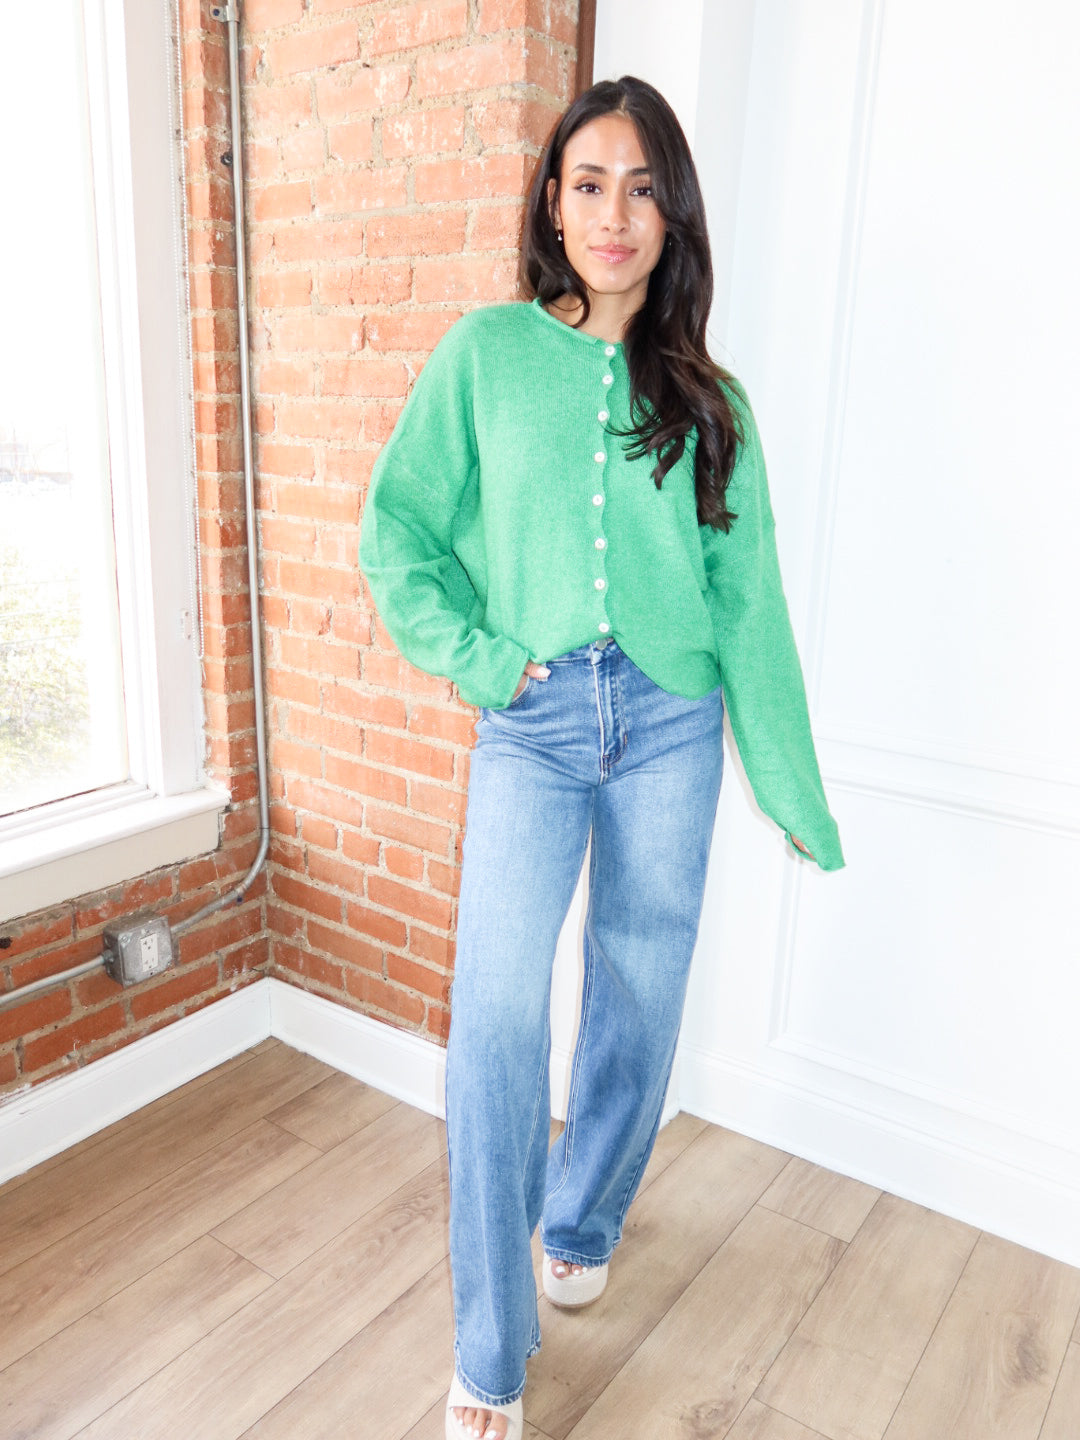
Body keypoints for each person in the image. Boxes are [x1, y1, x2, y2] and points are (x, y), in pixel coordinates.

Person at [359, 75, 843, 1440]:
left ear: (672, 213)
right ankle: (490, 1350)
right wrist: (482, 660)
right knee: (497, 1020)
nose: (614, 213)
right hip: (534, 720)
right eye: (588, 183)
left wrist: (790, 784)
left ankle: (583, 1219)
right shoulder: (484, 357)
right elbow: (398, 531)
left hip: (673, 722)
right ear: (553, 203)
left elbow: (749, 604)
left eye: (641, 187)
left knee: (640, 990)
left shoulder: (711, 398)